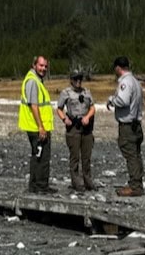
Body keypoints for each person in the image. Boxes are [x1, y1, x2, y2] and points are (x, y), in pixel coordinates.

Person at [106, 55, 145, 197]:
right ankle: (137, 182)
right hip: (136, 123)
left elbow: (123, 100)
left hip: (128, 125)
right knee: (136, 154)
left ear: (118, 67)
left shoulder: (125, 82)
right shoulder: (135, 81)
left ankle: (135, 186)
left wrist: (111, 100)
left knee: (131, 155)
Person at [56, 69, 97, 191]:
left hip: (86, 127)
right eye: (75, 79)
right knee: (75, 157)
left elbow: (92, 107)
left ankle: (88, 181)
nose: (78, 81)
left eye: (80, 78)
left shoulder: (86, 92)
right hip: (73, 126)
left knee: (86, 156)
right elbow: (59, 109)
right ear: (71, 80)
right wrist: (64, 119)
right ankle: (76, 182)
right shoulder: (66, 93)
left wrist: (88, 117)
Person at [18, 55, 55, 194]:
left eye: (45, 66)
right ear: (34, 65)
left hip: (34, 126)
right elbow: (34, 105)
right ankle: (40, 186)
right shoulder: (33, 81)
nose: (43, 69)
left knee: (36, 155)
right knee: (42, 157)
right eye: (41, 65)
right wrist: (41, 127)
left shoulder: (34, 80)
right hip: (37, 127)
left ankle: (34, 186)